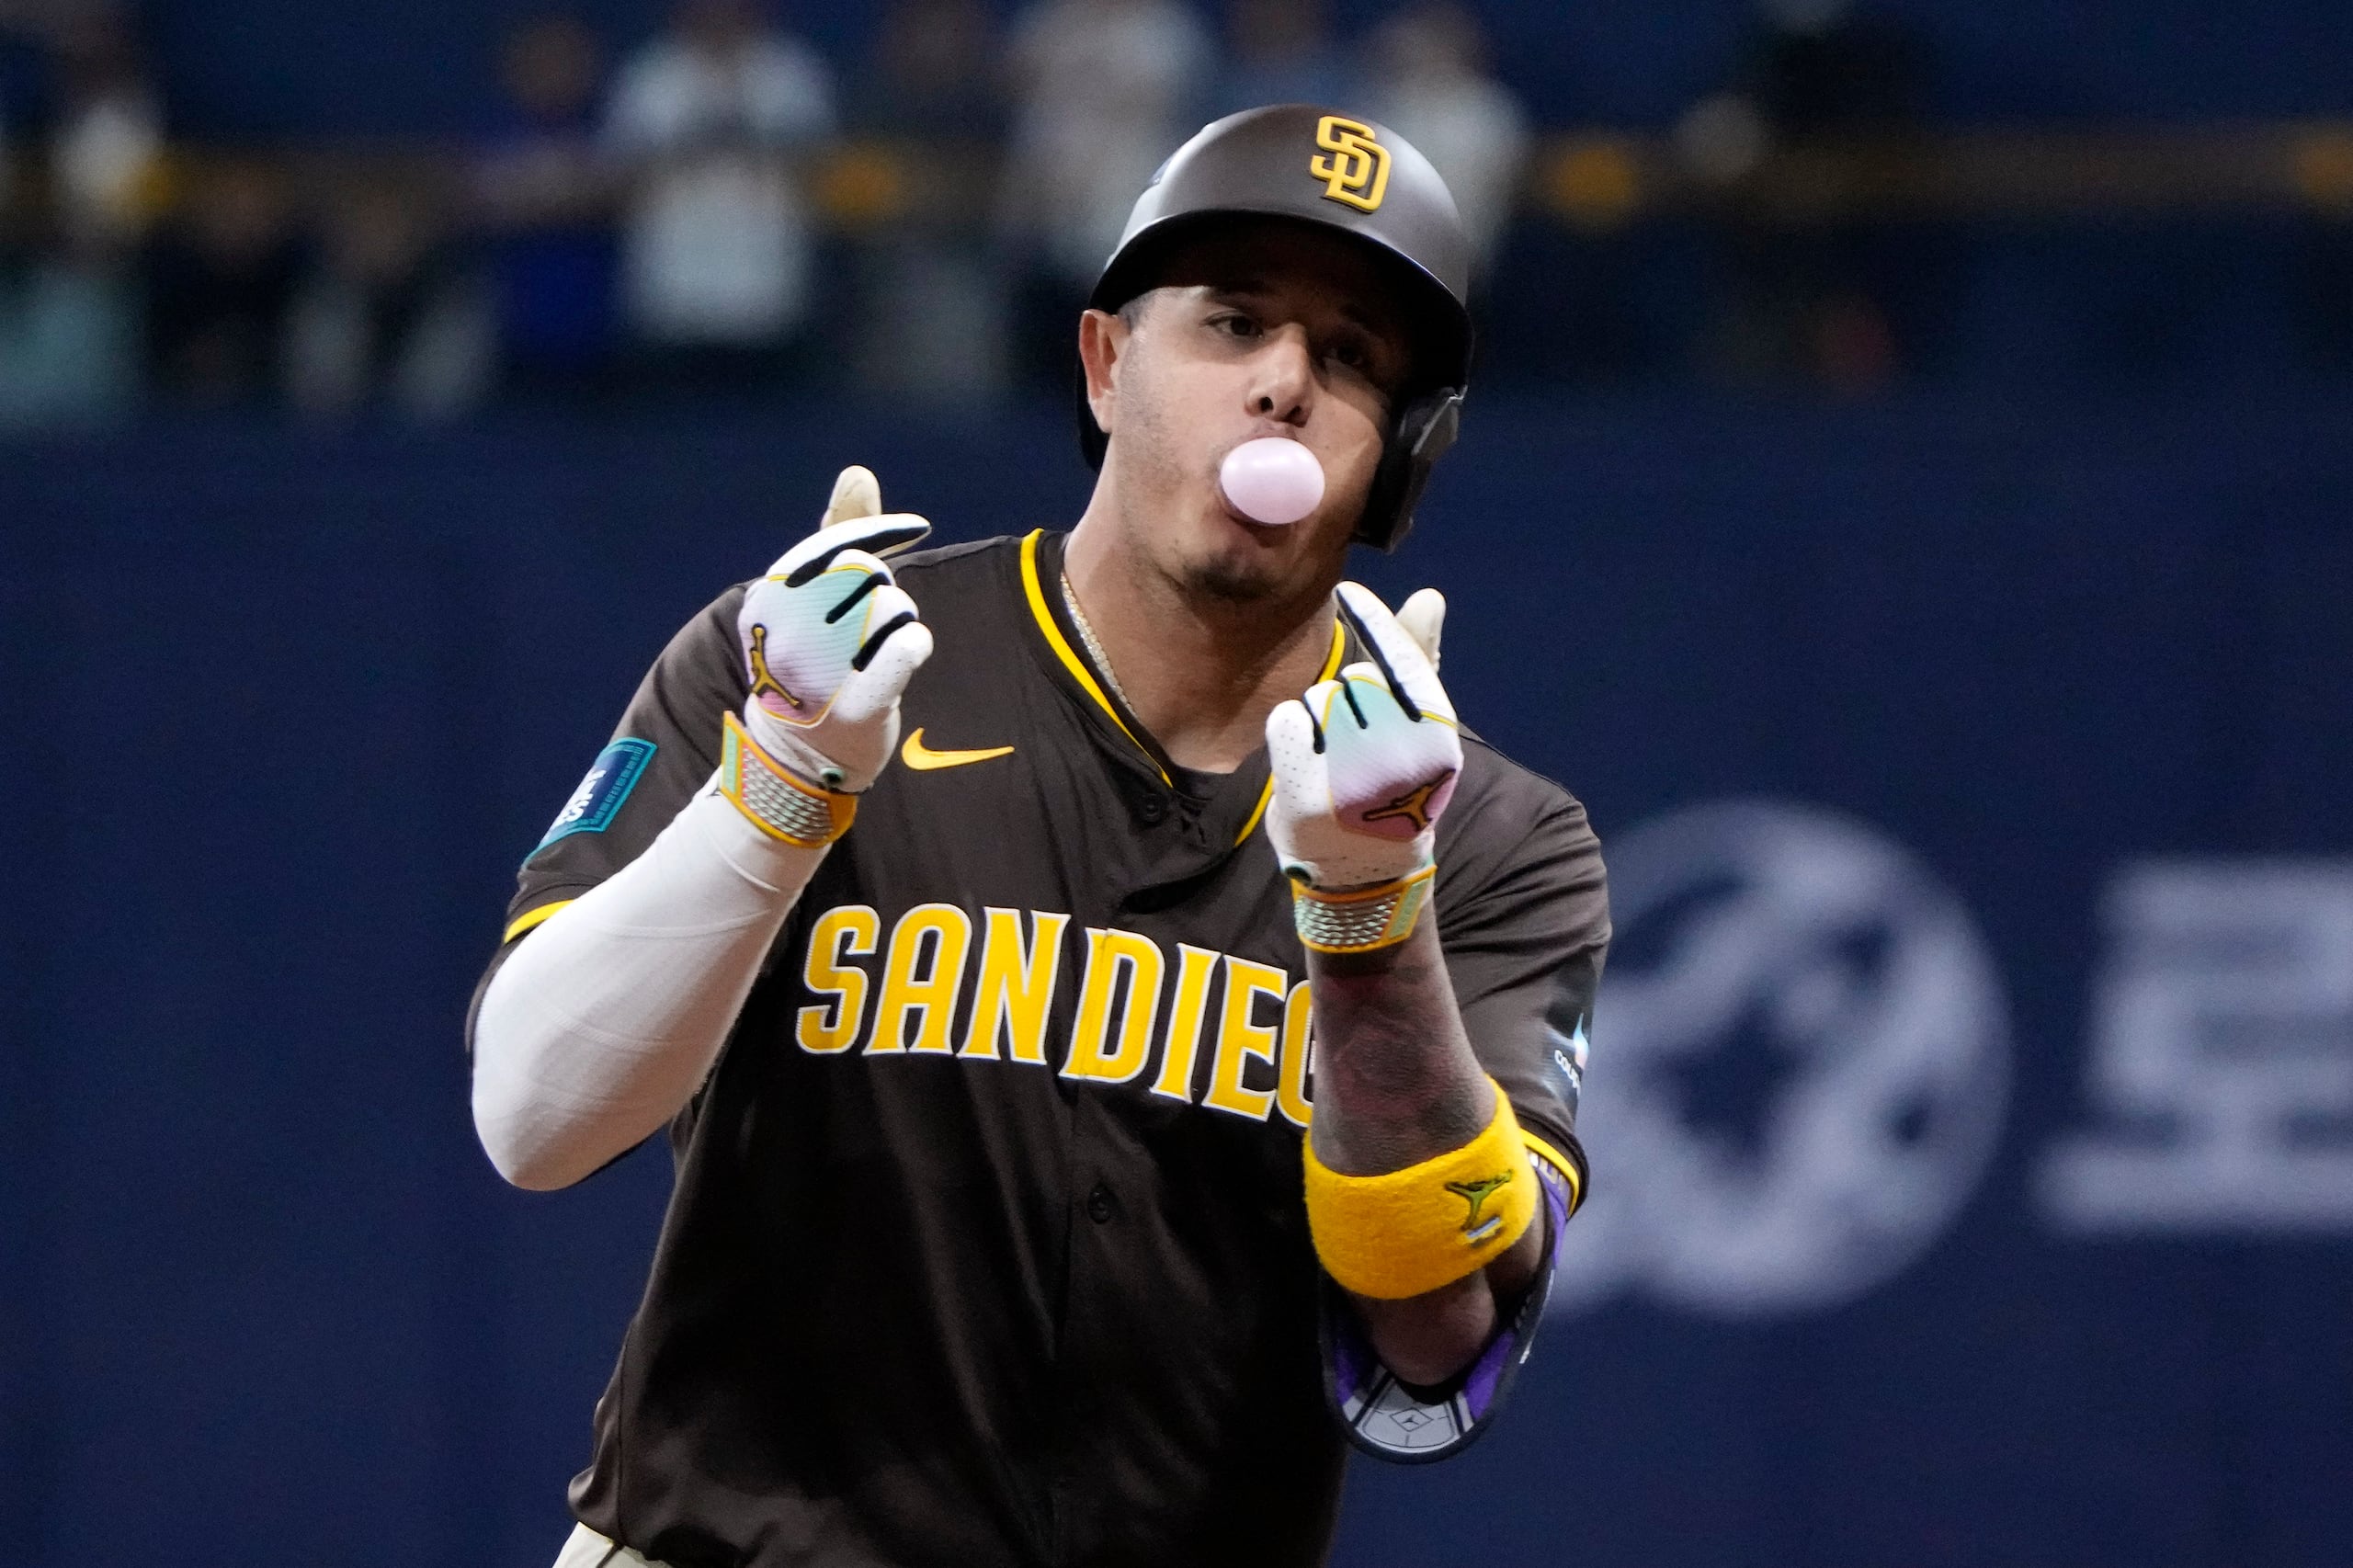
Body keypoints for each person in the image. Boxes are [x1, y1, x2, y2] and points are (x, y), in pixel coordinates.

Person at [471, 105, 1608, 1567]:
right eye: (1233, 321)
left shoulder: (1489, 837)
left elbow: (1436, 1353)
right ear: (1105, 362)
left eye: (1352, 359)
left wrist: (1373, 911)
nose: (1282, 386)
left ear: (1400, 457)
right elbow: (534, 1120)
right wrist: (782, 789)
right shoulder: (823, 660)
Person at [604, 0, 836, 394]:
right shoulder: (649, 76)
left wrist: (754, 147)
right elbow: (614, 180)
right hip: (673, 300)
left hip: (769, 301)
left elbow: (826, 177)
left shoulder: (794, 74)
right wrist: (689, 150)